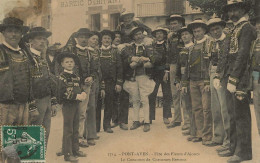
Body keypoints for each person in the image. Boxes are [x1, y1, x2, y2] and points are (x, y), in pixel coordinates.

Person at [218, 1, 257, 162]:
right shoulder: (234, 29)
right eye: (230, 11)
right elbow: (226, 54)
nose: (232, 14)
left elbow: (242, 56)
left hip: (240, 78)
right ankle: (234, 147)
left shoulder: (247, 28)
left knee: (241, 115)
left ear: (243, 10)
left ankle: (244, 152)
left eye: (235, 10)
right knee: (232, 113)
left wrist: (233, 78)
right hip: (230, 75)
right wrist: (221, 75)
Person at [0, 17, 39, 162]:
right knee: (5, 146)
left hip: (23, 105)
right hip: (4, 107)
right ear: (3, 33)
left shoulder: (24, 54)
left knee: (20, 147)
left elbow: (30, 81)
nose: (14, 35)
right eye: (10, 31)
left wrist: (32, 106)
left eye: (17, 31)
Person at [23, 27, 58, 145]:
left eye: (44, 39)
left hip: (46, 100)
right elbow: (27, 84)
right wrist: (32, 106)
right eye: (39, 39)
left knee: (45, 134)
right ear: (30, 41)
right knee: (33, 136)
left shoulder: (43, 58)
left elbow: (48, 80)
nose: (42, 41)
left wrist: (53, 102)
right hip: (35, 101)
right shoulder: (26, 58)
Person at [183, 19, 212, 144]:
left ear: (204, 31)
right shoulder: (191, 47)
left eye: (199, 31)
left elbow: (209, 64)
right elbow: (186, 66)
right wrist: (184, 83)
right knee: (197, 108)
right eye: (194, 32)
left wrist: (207, 81)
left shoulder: (209, 44)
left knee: (206, 109)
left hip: (204, 81)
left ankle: (207, 136)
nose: (196, 34)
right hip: (193, 81)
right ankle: (199, 133)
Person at [122, 27, 155, 132]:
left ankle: (146, 121)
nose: (139, 36)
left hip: (144, 75)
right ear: (133, 37)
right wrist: (132, 60)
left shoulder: (147, 46)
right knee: (135, 99)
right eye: (136, 35)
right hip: (133, 76)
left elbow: (156, 57)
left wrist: (147, 60)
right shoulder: (129, 48)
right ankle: (136, 120)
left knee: (144, 99)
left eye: (140, 34)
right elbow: (125, 59)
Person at [57, 52, 87, 162]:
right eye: (67, 62)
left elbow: (79, 87)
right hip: (68, 105)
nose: (69, 64)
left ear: (74, 63)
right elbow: (62, 93)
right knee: (68, 129)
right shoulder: (62, 77)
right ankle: (67, 153)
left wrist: (83, 93)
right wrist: (76, 96)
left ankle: (75, 149)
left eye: (71, 62)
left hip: (76, 104)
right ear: (62, 64)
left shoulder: (75, 76)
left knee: (75, 128)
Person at [207, 18, 231, 148]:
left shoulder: (227, 41)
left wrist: (219, 75)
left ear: (222, 28)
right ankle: (218, 136)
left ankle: (228, 140)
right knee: (215, 107)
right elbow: (210, 60)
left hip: (223, 74)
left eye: (217, 29)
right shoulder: (211, 43)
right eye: (212, 30)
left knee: (224, 108)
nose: (215, 32)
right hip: (213, 73)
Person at [97, 30, 123, 133]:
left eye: (108, 38)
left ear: (111, 40)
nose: (106, 40)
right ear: (101, 40)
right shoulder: (97, 51)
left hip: (111, 82)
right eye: (104, 38)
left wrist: (119, 83)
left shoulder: (115, 51)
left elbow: (119, 67)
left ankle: (107, 125)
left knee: (109, 104)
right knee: (97, 104)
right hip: (99, 82)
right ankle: (96, 126)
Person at [149, 27, 172, 124]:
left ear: (164, 35)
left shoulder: (167, 45)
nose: (159, 35)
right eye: (157, 33)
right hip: (154, 73)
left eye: (160, 33)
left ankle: (166, 116)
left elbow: (168, 58)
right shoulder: (152, 45)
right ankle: (149, 117)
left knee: (166, 94)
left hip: (164, 72)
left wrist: (167, 71)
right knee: (151, 94)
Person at [175, 26, 195, 137]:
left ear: (191, 35)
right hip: (183, 79)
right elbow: (179, 66)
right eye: (182, 35)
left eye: (186, 34)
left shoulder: (195, 47)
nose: (184, 36)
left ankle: (194, 127)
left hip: (193, 78)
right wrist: (177, 80)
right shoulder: (181, 50)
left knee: (194, 103)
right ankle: (188, 124)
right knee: (186, 103)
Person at [86, 31, 105, 145]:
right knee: (87, 107)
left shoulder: (97, 52)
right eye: (93, 39)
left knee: (94, 107)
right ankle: (86, 134)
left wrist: (102, 85)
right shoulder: (86, 51)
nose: (95, 41)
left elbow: (100, 69)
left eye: (97, 40)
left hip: (97, 80)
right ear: (88, 40)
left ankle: (92, 133)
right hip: (89, 81)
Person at [166, 14, 185, 129]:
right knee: (175, 93)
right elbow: (168, 53)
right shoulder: (170, 37)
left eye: (175, 23)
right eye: (171, 23)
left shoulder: (186, 34)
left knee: (185, 93)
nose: (173, 26)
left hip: (184, 65)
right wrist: (167, 69)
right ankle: (177, 119)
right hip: (173, 65)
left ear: (181, 24)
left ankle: (188, 121)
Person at [112, 31, 129, 130]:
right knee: (114, 98)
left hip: (124, 75)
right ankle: (115, 120)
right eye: (115, 37)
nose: (117, 39)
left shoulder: (124, 48)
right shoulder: (110, 49)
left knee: (124, 98)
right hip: (113, 77)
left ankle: (123, 121)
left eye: (119, 37)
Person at [250, 14, 260, 136]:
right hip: (255, 76)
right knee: (257, 106)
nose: (258, 26)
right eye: (257, 23)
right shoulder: (254, 41)